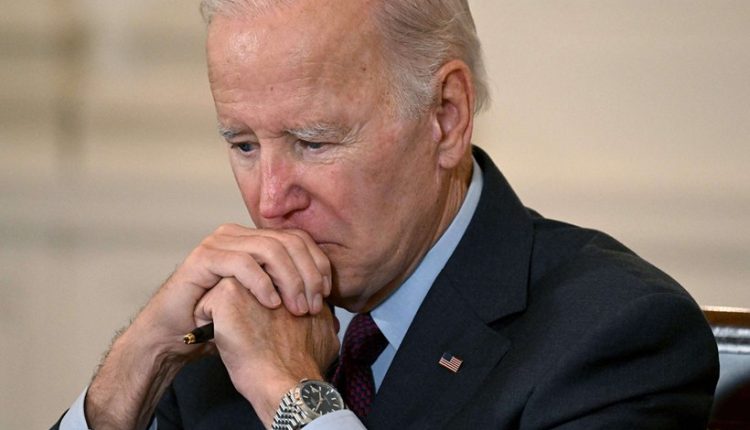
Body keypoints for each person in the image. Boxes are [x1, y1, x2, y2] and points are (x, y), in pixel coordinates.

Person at [53, 0, 719, 429]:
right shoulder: (225, 330)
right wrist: (135, 369)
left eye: (313, 142)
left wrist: (292, 397)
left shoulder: (617, 338)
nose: (269, 200)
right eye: (244, 145)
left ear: (445, 117)